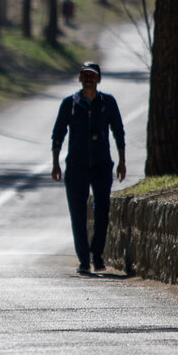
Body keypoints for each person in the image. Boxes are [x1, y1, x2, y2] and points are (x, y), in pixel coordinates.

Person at [51, 61, 126, 274]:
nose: (88, 79)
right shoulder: (70, 104)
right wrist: (56, 163)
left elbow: (118, 132)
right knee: (78, 214)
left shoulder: (107, 103)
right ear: (79, 78)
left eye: (92, 76)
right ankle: (84, 260)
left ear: (99, 79)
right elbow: (58, 134)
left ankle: (98, 255)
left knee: (102, 211)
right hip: (76, 166)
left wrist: (122, 161)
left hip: (102, 164)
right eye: (84, 75)